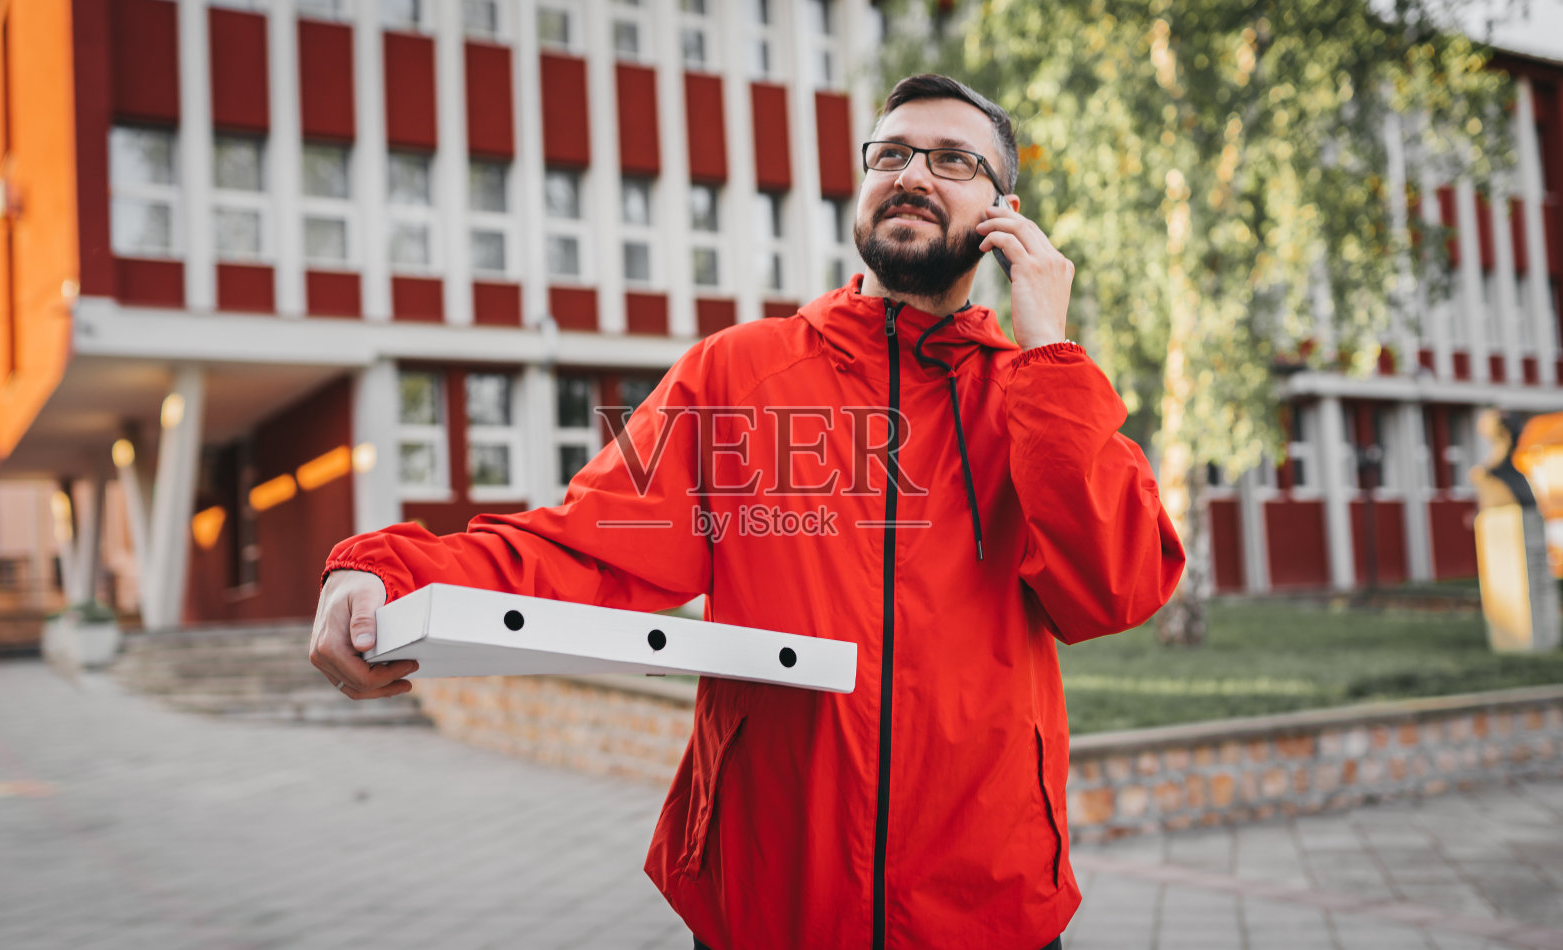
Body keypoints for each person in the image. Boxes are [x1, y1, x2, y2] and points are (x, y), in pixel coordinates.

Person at [310, 74, 1185, 950]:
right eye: (891, 154)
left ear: (1006, 213)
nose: (913, 174)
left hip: (988, 904)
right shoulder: (741, 374)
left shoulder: (1036, 392)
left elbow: (1115, 587)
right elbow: (588, 546)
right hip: (769, 900)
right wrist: (387, 569)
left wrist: (1051, 351)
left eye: (953, 160)